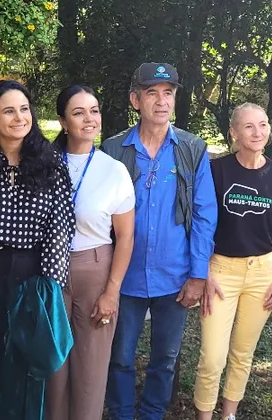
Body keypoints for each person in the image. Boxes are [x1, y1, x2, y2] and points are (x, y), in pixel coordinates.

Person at [0, 79, 76, 420]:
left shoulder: (49, 161)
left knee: (27, 367)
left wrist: (47, 287)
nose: (19, 118)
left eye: (24, 109)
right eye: (8, 111)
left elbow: (60, 224)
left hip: (31, 274)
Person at [102, 62, 218, 420]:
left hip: (175, 275)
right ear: (135, 100)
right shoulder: (113, 150)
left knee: (165, 358)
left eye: (168, 93)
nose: (162, 101)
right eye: (152, 92)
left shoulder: (191, 148)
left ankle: (152, 414)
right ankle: (121, 414)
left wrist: (198, 274)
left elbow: (204, 214)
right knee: (119, 356)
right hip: (126, 277)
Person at [194, 103, 272, 420]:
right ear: (234, 132)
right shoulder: (216, 170)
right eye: (248, 126)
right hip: (221, 270)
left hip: (263, 271)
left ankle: (229, 414)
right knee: (212, 356)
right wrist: (204, 271)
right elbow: (201, 221)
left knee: (242, 353)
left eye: (263, 124)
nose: (257, 132)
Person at [46, 85, 135, 420]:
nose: (89, 119)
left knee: (90, 371)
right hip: (49, 271)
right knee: (52, 368)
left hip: (94, 270)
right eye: (78, 112)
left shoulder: (113, 171)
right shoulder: (44, 163)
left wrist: (111, 291)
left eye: (94, 110)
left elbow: (125, 237)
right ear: (63, 121)